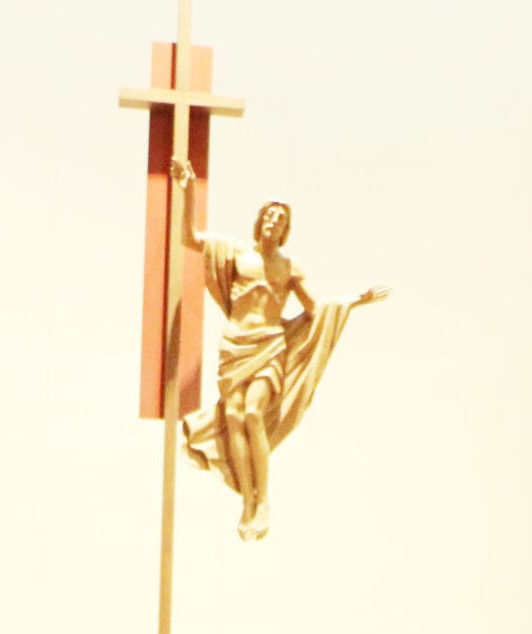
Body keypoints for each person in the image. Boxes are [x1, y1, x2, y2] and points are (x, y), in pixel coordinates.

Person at [166, 162, 389, 540]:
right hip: (236, 345)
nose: (273, 220)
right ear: (259, 221)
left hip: (269, 345)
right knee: (234, 415)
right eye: (269, 214)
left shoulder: (289, 267)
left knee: (253, 412)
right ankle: (247, 502)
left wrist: (353, 301)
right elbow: (188, 237)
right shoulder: (234, 252)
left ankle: (263, 499)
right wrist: (186, 189)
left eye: (280, 218)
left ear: (286, 229)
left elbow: (317, 310)